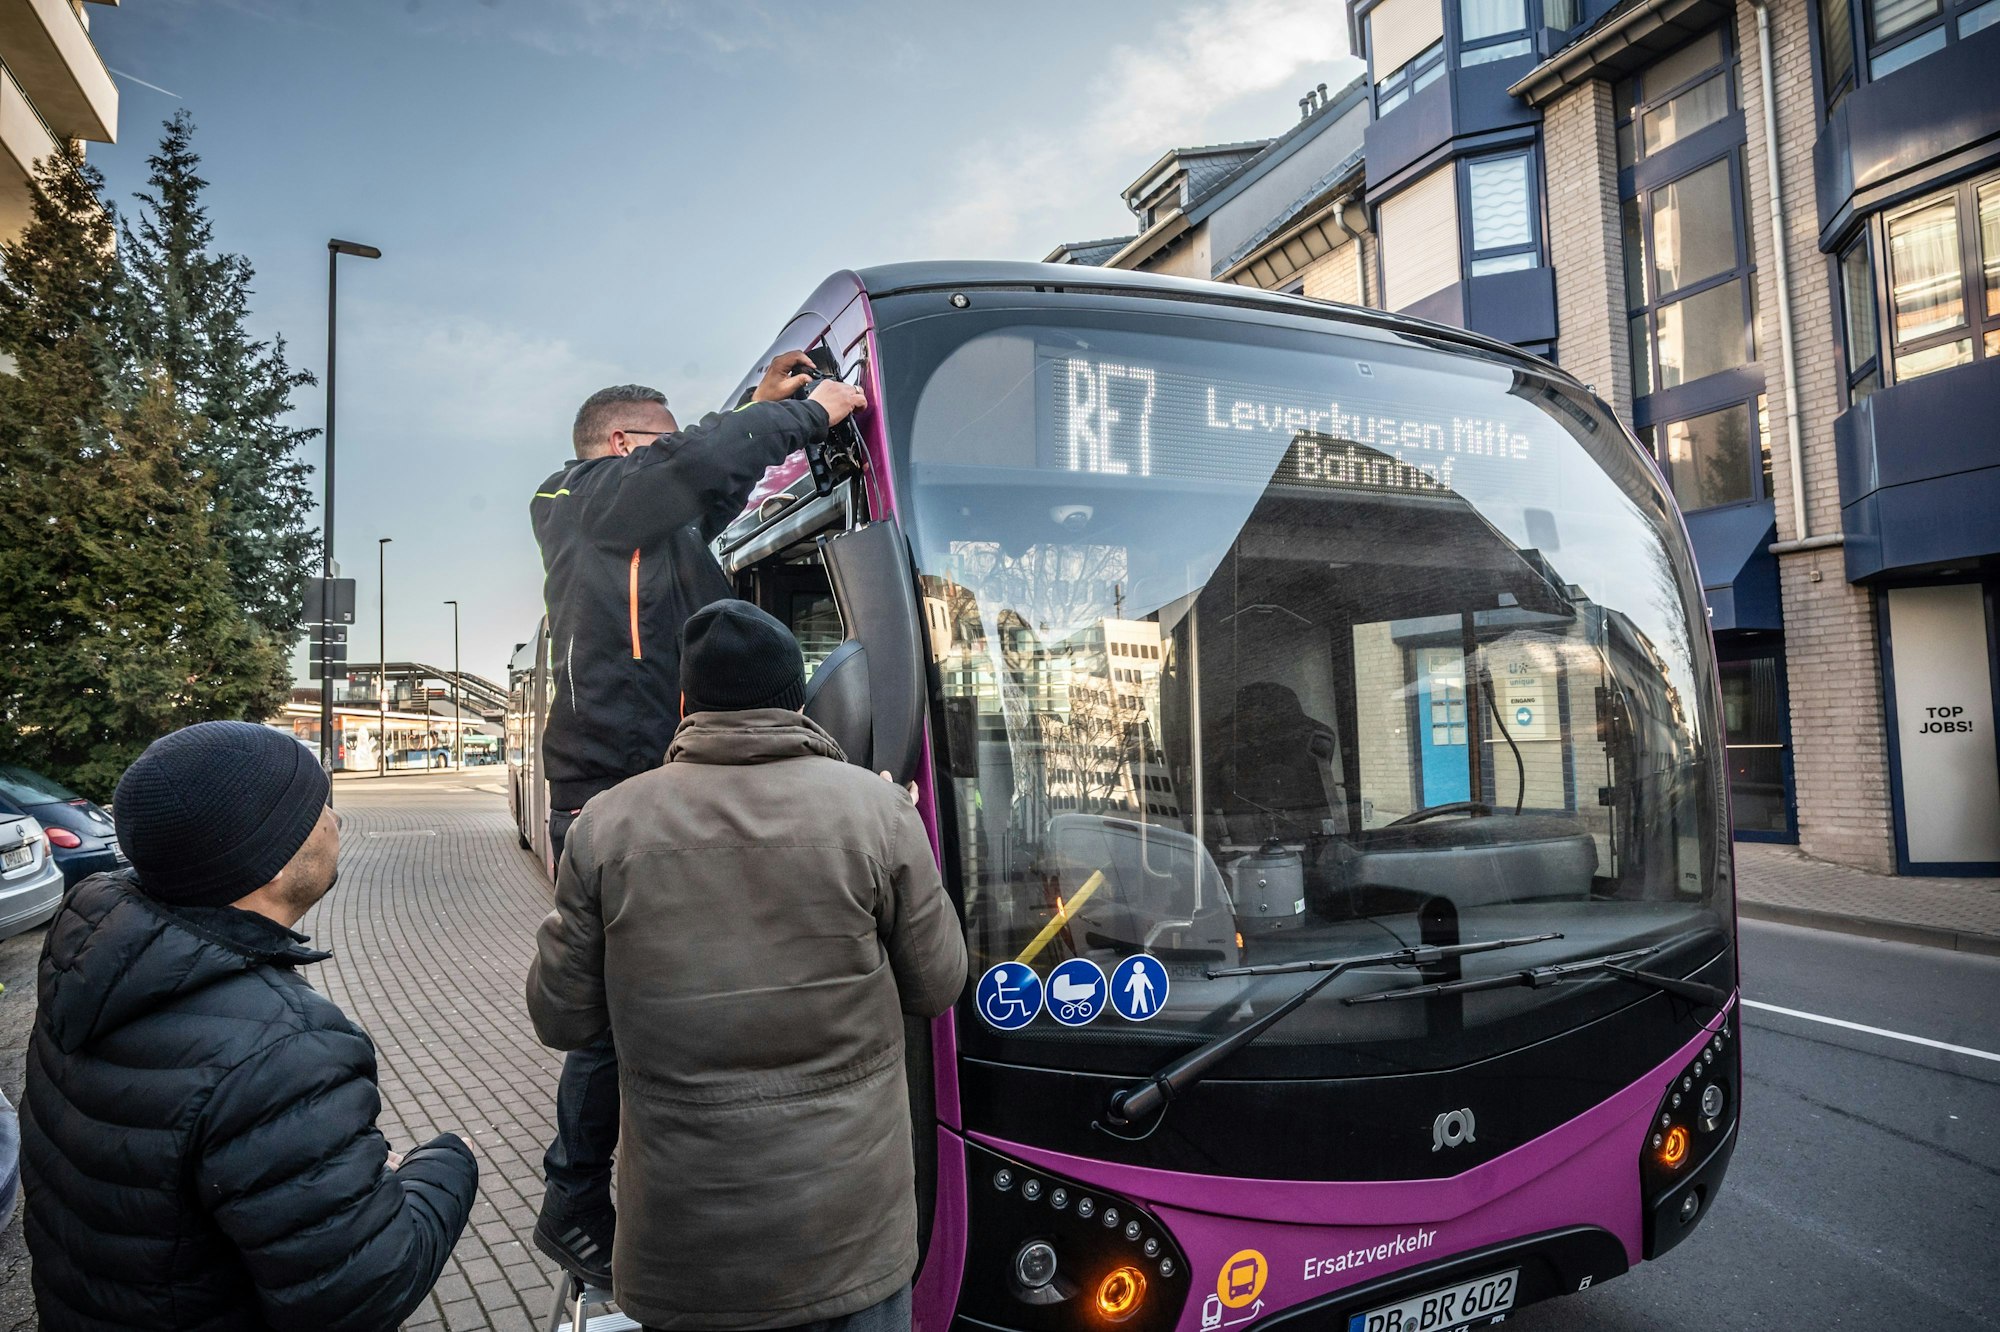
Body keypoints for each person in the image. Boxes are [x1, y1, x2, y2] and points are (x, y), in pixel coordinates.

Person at [527, 600, 967, 1332]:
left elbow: (561, 1017)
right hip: (850, 1243)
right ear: (797, 699)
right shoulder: (879, 814)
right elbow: (938, 982)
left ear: (685, 702)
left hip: (687, 1255)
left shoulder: (606, 827)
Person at [529, 359, 866, 1287]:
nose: (679, 449)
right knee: (613, 1011)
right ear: (626, 445)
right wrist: (800, 414)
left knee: (662, 1001)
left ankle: (650, 1187)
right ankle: (571, 1202)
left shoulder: (635, 528)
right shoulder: (581, 494)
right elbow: (686, 469)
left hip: (645, 778)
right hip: (616, 788)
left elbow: (702, 488)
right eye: (664, 437)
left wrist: (751, 418)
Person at [19, 721, 478, 1331]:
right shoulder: (282, 1050)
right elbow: (363, 1291)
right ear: (269, 859)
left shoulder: (94, 962)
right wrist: (448, 1163)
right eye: (321, 807)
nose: (336, 822)